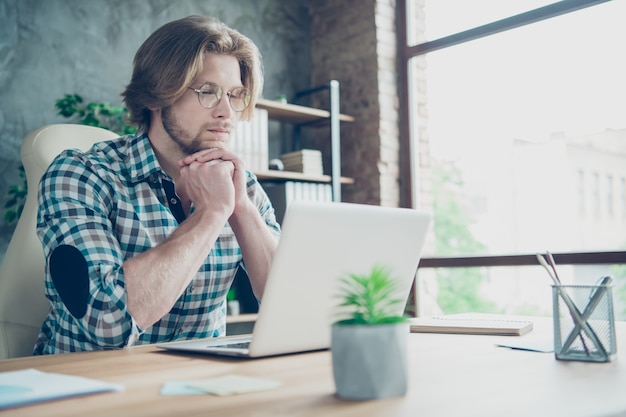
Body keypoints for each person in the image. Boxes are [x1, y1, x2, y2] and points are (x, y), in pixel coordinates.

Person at [33, 15, 280, 355]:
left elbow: (290, 305)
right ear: (155, 96)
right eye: (208, 92)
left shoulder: (242, 185)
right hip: (89, 391)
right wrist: (209, 215)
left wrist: (240, 209)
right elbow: (109, 323)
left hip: (197, 391)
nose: (227, 112)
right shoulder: (80, 174)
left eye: (236, 95)